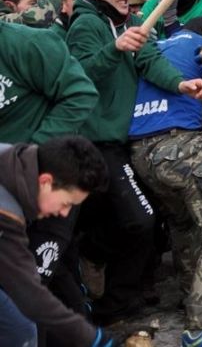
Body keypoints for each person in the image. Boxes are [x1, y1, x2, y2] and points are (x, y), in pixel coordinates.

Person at [66, 0, 202, 324]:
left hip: (120, 140)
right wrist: (114, 50)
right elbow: (77, 74)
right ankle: (110, 301)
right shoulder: (85, 25)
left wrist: (180, 84)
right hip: (91, 141)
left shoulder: (130, 23)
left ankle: (112, 296)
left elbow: (149, 62)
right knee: (138, 219)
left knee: (135, 219)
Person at [127, 24, 202, 347]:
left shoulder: (150, 50)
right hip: (181, 145)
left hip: (141, 153)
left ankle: (190, 299)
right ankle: (200, 326)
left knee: (183, 224)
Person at [0, 136, 117, 347]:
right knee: (20, 332)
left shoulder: (11, 158)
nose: (64, 214)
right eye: (66, 203)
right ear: (45, 181)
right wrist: (93, 338)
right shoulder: (6, 213)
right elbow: (29, 293)